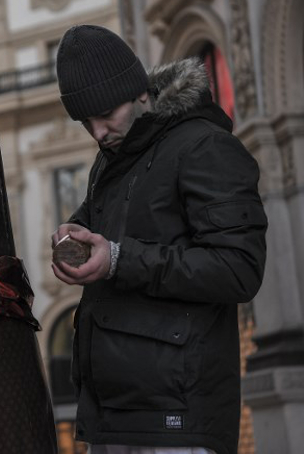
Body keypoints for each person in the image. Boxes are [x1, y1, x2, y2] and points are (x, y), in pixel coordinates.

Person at [50, 25, 267, 454]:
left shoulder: (204, 146)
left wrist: (116, 259)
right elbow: (105, 232)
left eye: (106, 114)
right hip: (114, 417)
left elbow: (239, 269)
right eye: (85, 122)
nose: (97, 133)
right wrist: (71, 234)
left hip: (178, 418)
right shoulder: (111, 160)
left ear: (140, 93)